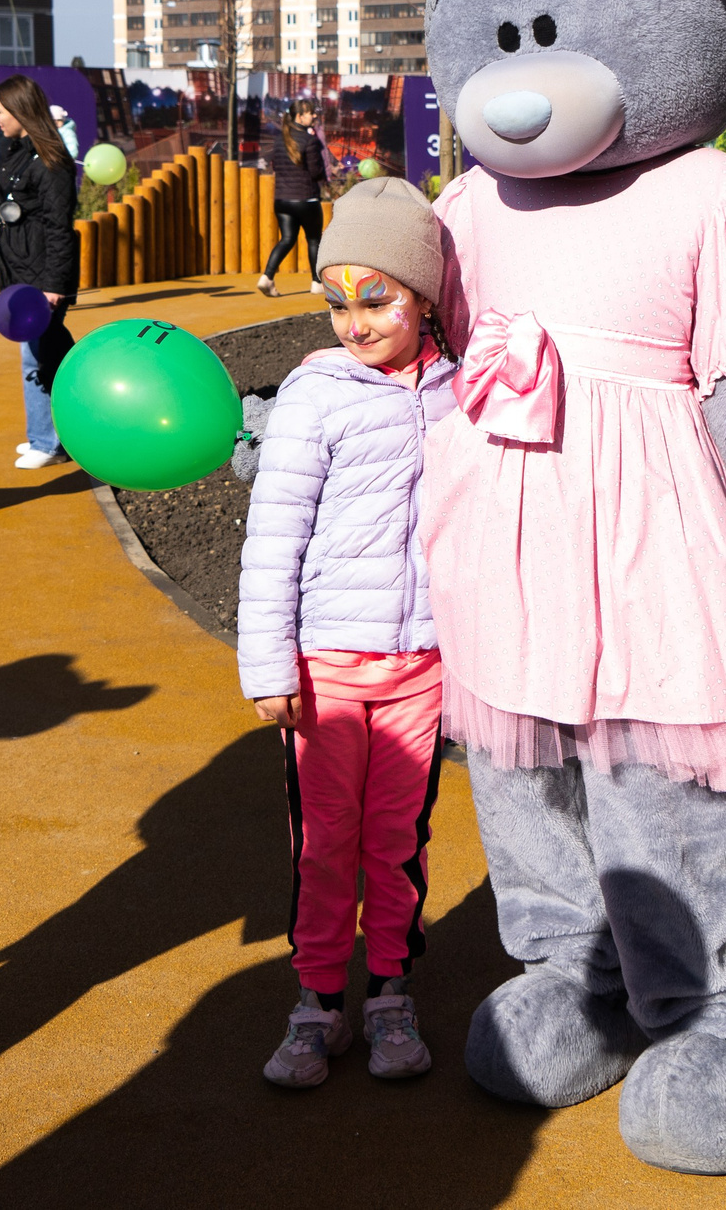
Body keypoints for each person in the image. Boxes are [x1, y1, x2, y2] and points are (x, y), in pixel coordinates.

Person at [237, 177, 457, 1088]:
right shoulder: (314, 395)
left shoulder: (456, 389)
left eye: (377, 300)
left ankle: (391, 991)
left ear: (423, 297)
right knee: (324, 841)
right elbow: (273, 535)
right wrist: (267, 663)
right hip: (327, 666)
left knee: (396, 841)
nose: (355, 322)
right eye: (337, 302)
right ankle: (318, 999)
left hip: (423, 663)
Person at [0, 76, 78, 469]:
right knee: (43, 353)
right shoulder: (13, 150)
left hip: (41, 276)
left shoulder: (52, 163)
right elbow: (5, 203)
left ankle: (48, 441)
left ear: (20, 113)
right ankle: (49, 433)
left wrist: (53, 287)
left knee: (37, 357)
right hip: (18, 269)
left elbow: (59, 227)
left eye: (0, 110)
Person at [256, 100, 330, 297]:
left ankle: (267, 277)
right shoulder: (309, 140)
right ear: (299, 116)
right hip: (306, 199)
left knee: (287, 239)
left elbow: (277, 167)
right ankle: (316, 282)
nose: (314, 116)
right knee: (313, 240)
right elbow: (315, 172)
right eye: (310, 113)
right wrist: (325, 175)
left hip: (282, 200)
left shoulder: (280, 140)